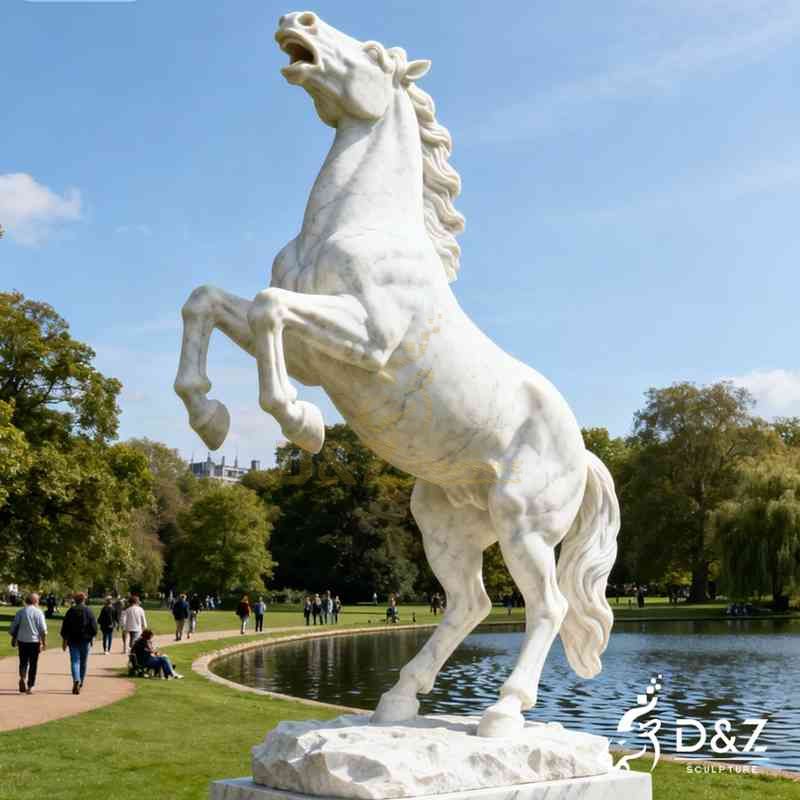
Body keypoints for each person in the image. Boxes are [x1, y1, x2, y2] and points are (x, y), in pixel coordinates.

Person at [60, 592, 98, 695]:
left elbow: (65, 627)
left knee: (75, 661)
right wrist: (92, 637)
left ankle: (76, 679)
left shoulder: (71, 611)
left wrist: (64, 640)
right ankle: (80, 682)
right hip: (85, 640)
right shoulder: (89, 611)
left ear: (75, 600)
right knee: (83, 662)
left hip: (72, 640)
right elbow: (94, 627)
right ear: (84, 600)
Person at [9, 592, 47, 694]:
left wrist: (13, 638)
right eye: (38, 600)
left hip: (22, 640)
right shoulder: (39, 612)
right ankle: (30, 685)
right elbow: (42, 629)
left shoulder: (21, 612)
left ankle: (22, 677)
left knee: (23, 661)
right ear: (35, 601)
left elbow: (14, 627)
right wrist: (44, 642)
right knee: (33, 664)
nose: (38, 601)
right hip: (34, 641)